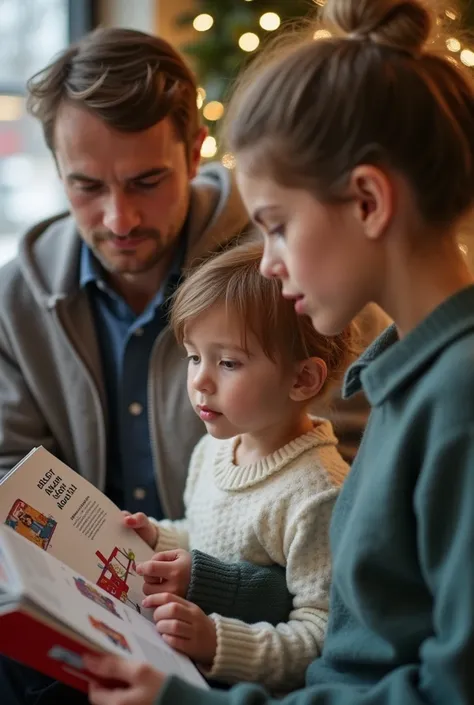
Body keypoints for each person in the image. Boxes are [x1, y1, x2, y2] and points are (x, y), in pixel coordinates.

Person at [83, 0, 474, 704]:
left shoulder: (458, 400)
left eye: (276, 226)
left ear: (366, 201)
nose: (267, 264)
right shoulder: (409, 375)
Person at [0, 27, 295, 705]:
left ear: (194, 153)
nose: (119, 217)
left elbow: (338, 501)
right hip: (83, 618)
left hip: (241, 623)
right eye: (86, 187)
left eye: (146, 181)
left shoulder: (282, 269)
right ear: (57, 169)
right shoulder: (17, 300)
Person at [125, 240, 353, 693]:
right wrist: (162, 539)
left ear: (302, 378)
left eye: (228, 362)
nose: (200, 381)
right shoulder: (215, 448)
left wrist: (216, 641)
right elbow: (213, 537)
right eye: (194, 356)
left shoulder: (318, 494)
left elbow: (320, 637)